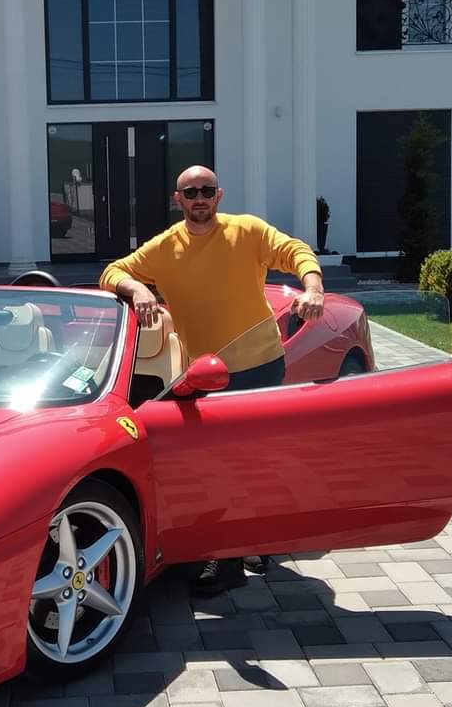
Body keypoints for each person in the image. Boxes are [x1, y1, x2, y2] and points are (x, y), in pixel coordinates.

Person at [100, 164, 324, 595]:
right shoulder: (165, 246)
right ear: (178, 200)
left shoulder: (248, 230)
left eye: (207, 190)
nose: (199, 198)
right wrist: (139, 288)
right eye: (191, 192)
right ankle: (227, 552)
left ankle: (248, 544)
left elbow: (296, 251)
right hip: (204, 373)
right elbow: (113, 271)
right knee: (214, 463)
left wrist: (313, 288)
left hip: (259, 365)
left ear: (219, 195)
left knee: (255, 459)